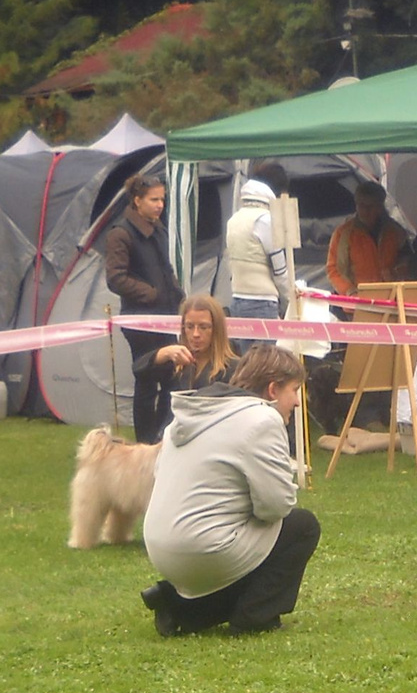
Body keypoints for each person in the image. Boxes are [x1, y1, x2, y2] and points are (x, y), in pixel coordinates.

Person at [139, 343, 320, 636]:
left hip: (160, 547)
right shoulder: (262, 419)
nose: (298, 402)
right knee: (301, 526)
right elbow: (276, 506)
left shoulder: (188, 416)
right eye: (294, 390)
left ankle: (181, 607)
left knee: (245, 546)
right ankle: (254, 616)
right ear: (273, 390)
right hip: (205, 549)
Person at [104, 174, 185, 443]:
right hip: (139, 320)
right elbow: (115, 278)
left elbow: (166, 269)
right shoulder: (120, 233)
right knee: (147, 380)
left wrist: (178, 296)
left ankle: (159, 436)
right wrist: (149, 294)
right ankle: (146, 440)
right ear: (137, 201)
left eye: (162, 199)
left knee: (171, 378)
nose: (160, 204)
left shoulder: (158, 229)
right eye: (154, 199)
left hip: (165, 316)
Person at [132, 294, 239, 439]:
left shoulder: (232, 367)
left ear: (216, 329)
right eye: (189, 327)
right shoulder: (176, 361)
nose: (195, 334)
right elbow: (138, 371)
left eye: (203, 327)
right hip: (169, 438)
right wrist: (161, 354)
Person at [226, 162, 292, 353]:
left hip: (237, 299)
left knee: (247, 364)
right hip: (262, 303)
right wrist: (290, 301)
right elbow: (279, 270)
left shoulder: (234, 219)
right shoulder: (265, 220)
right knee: (267, 363)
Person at [326, 180, 410, 296]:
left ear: (380, 207)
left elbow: (407, 261)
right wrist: (349, 291)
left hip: (389, 301)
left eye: (370, 206)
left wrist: (397, 272)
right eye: (361, 205)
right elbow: (333, 270)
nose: (365, 211)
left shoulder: (395, 231)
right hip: (356, 304)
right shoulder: (343, 234)